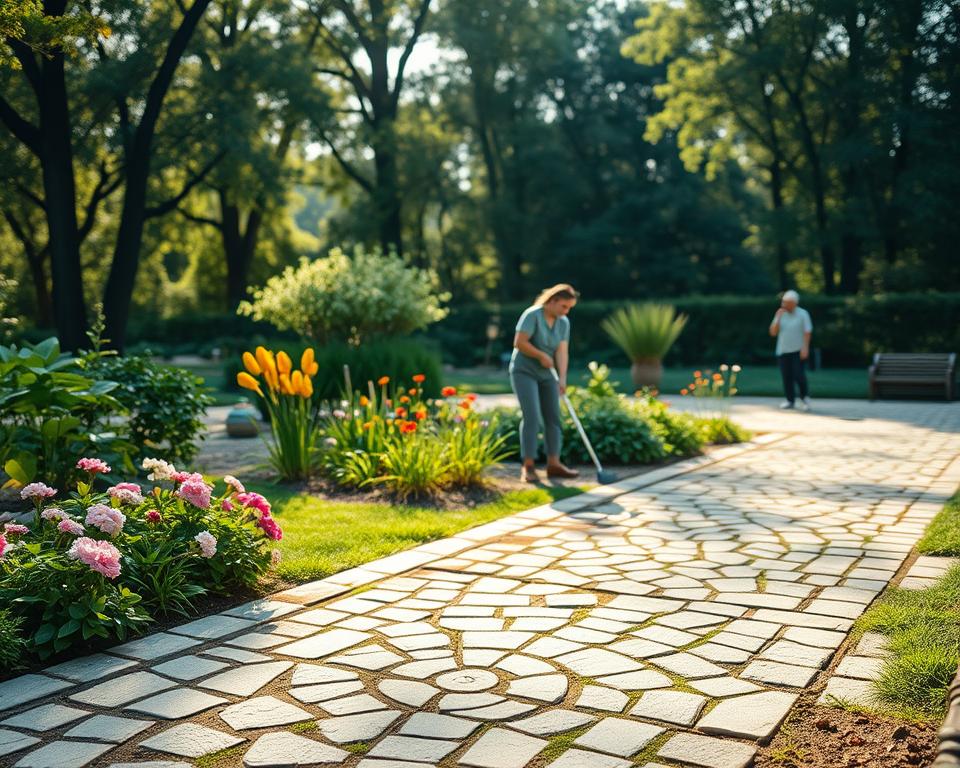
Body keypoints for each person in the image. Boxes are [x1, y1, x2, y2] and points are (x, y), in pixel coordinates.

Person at [509, 284, 581, 483]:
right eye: (564, 306)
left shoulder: (563, 322)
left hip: (547, 373)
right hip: (524, 371)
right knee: (532, 417)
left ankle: (554, 464)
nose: (566, 311)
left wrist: (563, 378)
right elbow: (519, 343)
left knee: (553, 417)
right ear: (552, 301)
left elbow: (562, 351)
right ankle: (529, 466)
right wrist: (540, 355)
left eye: (569, 308)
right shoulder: (532, 315)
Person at [769, 289, 813, 411]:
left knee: (799, 375)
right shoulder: (780, 314)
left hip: (798, 350)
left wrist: (805, 348)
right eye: (783, 302)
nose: (784, 305)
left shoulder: (803, 314)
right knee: (786, 376)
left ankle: (805, 398)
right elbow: (773, 332)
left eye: (787, 302)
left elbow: (807, 332)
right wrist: (777, 318)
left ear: (794, 303)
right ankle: (790, 400)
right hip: (782, 350)